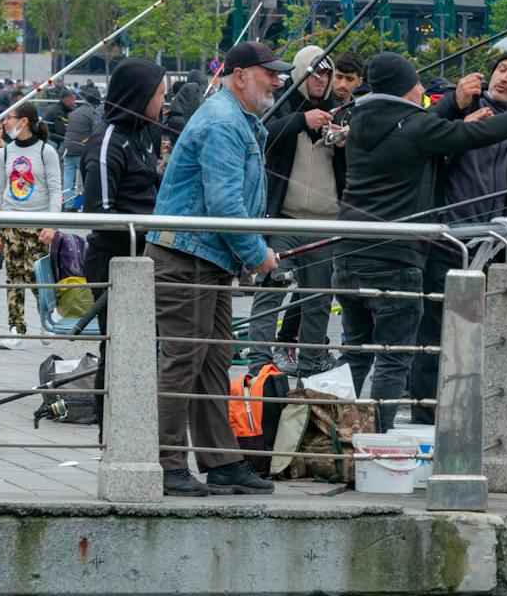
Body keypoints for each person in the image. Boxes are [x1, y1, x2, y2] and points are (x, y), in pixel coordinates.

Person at [338, 52, 507, 432]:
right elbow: (479, 134)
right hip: (397, 257)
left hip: (347, 253)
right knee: (395, 357)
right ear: (407, 90)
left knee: (357, 354)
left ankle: (341, 438)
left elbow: (429, 130)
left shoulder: (360, 121)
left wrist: (454, 112)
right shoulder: (416, 126)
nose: (424, 90)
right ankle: (372, 443)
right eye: (418, 86)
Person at [148, 41, 286, 497]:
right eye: (269, 73)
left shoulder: (234, 119)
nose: (278, 80)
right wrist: (258, 254)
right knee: (185, 359)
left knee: (213, 359)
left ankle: (222, 461)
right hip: (187, 258)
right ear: (241, 74)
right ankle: (166, 464)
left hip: (206, 259)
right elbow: (224, 203)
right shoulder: (224, 122)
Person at [79, 59, 165, 423]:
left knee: (148, 341)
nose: (165, 102)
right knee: (117, 340)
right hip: (114, 257)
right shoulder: (107, 141)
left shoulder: (145, 137)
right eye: (160, 94)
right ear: (139, 96)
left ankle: (136, 412)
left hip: (145, 256)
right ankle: (109, 416)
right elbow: (101, 211)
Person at [253, 46, 346, 374]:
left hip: (326, 222)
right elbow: (261, 136)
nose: (321, 79)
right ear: (298, 73)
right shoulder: (282, 107)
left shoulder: (341, 110)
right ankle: (259, 364)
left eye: (326, 73)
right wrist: (301, 121)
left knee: (319, 299)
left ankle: (311, 362)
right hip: (285, 218)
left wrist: (346, 141)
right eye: (314, 72)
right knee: (271, 292)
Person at [0, 104, 63, 349]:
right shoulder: (4, 153)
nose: (7, 123)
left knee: (36, 275)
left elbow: (55, 190)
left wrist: (52, 224)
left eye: (10, 118)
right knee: (13, 277)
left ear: (24, 121)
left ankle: (47, 320)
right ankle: (15, 327)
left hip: (38, 223)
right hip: (11, 222)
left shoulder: (46, 151)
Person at [59, 87, 97, 210]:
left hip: (67, 147)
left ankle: (68, 205)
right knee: (84, 180)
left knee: (68, 178)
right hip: (81, 149)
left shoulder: (74, 112)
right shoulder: (93, 113)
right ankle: (83, 205)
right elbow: (96, 132)